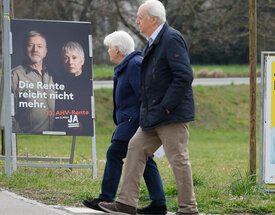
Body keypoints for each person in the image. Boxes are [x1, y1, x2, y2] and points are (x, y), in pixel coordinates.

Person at [99, 1, 198, 214]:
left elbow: (184, 76)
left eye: (140, 17)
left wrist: (166, 108)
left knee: (178, 160)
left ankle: (188, 209)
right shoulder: (153, 42)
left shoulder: (171, 39)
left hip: (171, 115)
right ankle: (126, 203)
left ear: (154, 19)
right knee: (134, 148)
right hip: (153, 116)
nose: (136, 21)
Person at [82, 31, 167, 214]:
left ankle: (106, 197)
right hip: (129, 121)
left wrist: (146, 123)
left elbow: (145, 96)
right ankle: (159, 203)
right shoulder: (127, 65)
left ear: (117, 49)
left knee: (114, 153)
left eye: (109, 48)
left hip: (134, 122)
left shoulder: (134, 65)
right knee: (145, 159)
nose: (107, 52)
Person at [11, 30, 55, 134]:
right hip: (28, 138)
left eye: (39, 46)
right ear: (24, 49)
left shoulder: (52, 76)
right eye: (30, 45)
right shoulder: (15, 76)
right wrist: (19, 134)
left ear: (45, 51)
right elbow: (7, 113)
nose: (35, 49)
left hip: (54, 139)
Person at [53, 41, 93, 136]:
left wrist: (84, 126)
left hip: (86, 130)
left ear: (82, 61)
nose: (70, 62)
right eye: (66, 58)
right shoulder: (57, 84)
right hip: (60, 131)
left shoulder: (90, 83)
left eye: (74, 58)